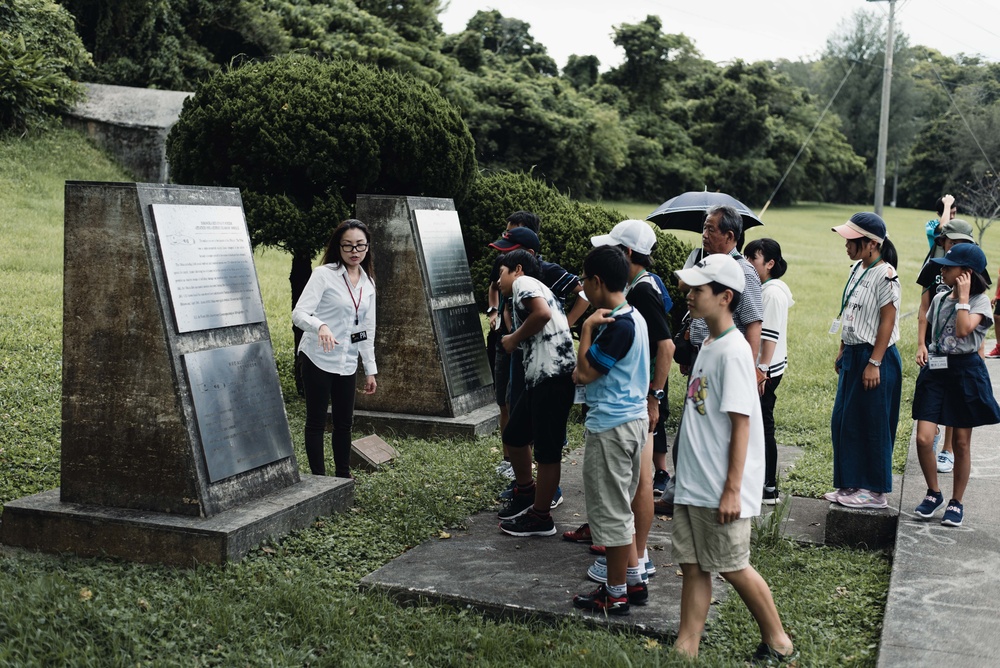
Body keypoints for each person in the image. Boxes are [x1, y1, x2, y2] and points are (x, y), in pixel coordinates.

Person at [670, 253, 795, 663]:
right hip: (694, 482)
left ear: (725, 297)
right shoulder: (708, 342)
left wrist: (732, 490)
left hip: (720, 486)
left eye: (697, 290)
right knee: (693, 565)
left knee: (732, 564)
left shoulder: (735, 352)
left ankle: (778, 640)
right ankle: (686, 646)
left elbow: (742, 425)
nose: (688, 296)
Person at [583, 219, 674, 587]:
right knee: (632, 488)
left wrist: (655, 397)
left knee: (631, 491)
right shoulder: (635, 299)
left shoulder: (638, 297)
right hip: (635, 403)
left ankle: (627, 574)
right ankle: (633, 570)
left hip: (632, 405)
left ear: (627, 255)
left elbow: (665, 346)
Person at [659, 205, 763, 516]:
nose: (704, 235)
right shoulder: (707, 263)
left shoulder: (743, 273)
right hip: (704, 353)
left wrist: (753, 367)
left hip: (725, 362)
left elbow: (754, 323)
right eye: (704, 228)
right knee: (695, 422)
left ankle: (695, 493)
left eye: (711, 230)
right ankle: (681, 493)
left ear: (730, 236)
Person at [571, 246, 650, 615]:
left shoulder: (615, 325)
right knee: (623, 506)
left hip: (612, 427)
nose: (584, 286)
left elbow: (583, 374)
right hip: (631, 423)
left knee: (614, 511)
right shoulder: (633, 315)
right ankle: (633, 581)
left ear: (598, 282)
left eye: (586, 280)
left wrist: (586, 327)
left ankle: (615, 592)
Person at [912, 244, 1000, 527]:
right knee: (924, 437)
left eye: (948, 267)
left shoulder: (981, 303)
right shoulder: (938, 299)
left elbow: (963, 329)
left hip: (965, 373)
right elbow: (933, 329)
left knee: (961, 443)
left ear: (966, 273)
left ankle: (956, 501)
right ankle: (934, 492)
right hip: (937, 371)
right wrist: (923, 347)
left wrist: (963, 296)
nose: (942, 270)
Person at [495, 250, 578, 537]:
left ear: (517, 269)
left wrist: (513, 339)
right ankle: (526, 492)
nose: (498, 281)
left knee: (547, 451)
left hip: (553, 378)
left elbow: (541, 314)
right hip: (541, 378)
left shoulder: (524, 282)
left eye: (500, 273)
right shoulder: (531, 288)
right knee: (515, 435)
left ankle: (541, 517)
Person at [826, 213, 901, 509]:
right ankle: (851, 484)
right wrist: (843, 347)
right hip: (854, 355)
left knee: (872, 423)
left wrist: (875, 362)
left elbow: (887, 320)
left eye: (852, 240)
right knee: (844, 421)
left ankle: (875, 492)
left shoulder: (886, 274)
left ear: (871, 244)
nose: (846, 244)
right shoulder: (857, 268)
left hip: (875, 357)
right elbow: (851, 312)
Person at [292, 219, 377, 478]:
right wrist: (320, 326)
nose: (354, 251)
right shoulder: (323, 275)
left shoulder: (368, 283)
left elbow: (366, 329)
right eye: (348, 246)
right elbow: (299, 313)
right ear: (338, 247)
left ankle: (343, 476)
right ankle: (319, 478)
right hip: (318, 357)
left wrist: (370, 369)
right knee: (316, 421)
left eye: (360, 246)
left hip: (347, 360)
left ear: (367, 247)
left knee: (344, 423)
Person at [915, 218, 981, 474]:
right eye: (948, 240)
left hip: (961, 352)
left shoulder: (972, 269)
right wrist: (921, 343)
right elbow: (923, 308)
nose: (951, 245)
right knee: (933, 401)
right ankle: (935, 433)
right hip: (937, 346)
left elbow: (971, 323)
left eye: (958, 242)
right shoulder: (934, 266)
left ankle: (948, 450)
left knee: (955, 406)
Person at [743, 238, 794, 505]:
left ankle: (768, 486)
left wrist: (760, 371)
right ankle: (763, 482)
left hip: (767, 370)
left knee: (763, 424)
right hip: (767, 368)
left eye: (754, 259)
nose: (748, 263)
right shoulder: (769, 288)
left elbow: (769, 336)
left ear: (770, 263)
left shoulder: (772, 293)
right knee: (759, 422)